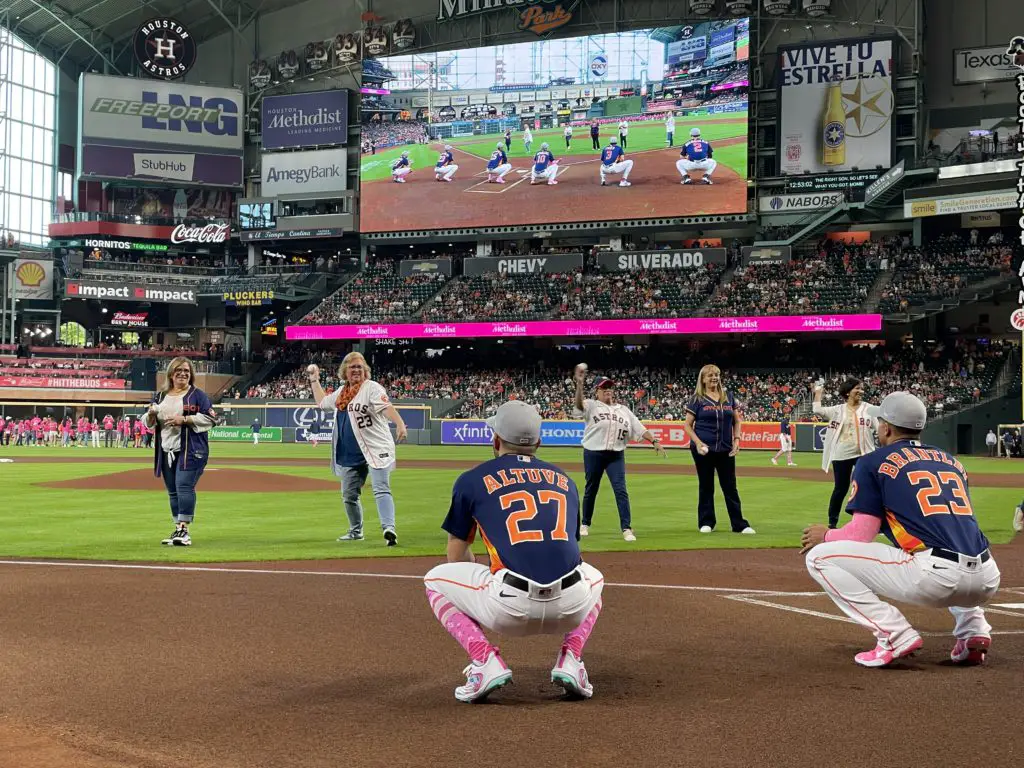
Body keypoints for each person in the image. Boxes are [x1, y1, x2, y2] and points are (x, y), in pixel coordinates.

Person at [423, 400, 605, 703]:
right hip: (571, 607)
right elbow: (570, 551)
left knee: (435, 580)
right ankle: (572, 660)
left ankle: (484, 662)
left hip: (509, 611)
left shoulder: (471, 480)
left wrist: (484, 575)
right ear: (539, 443)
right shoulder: (566, 481)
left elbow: (455, 557)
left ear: (496, 440)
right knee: (596, 577)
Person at [801, 392, 1000, 668]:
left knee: (819, 557)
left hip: (936, 578)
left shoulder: (872, 461)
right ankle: (974, 630)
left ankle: (893, 634)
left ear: (886, 427)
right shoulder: (950, 460)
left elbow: (861, 534)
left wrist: (825, 535)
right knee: (936, 544)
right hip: (987, 576)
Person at [306, 352, 408, 546]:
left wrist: (400, 424)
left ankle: (389, 529)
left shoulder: (372, 388)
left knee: (381, 488)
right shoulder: (342, 393)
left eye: (360, 367)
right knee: (349, 495)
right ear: (345, 371)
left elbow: (386, 407)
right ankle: (356, 531)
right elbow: (322, 403)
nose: (356, 370)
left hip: (376, 448)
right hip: (350, 452)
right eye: (352, 367)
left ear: (366, 371)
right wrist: (314, 379)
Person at [573, 369, 665, 541]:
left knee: (621, 490)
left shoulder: (623, 410)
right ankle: (585, 523)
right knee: (591, 489)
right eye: (603, 387)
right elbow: (578, 406)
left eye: (609, 387)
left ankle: (626, 528)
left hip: (616, 454)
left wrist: (654, 441)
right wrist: (579, 385)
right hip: (594, 452)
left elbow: (639, 427)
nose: (607, 390)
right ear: (596, 391)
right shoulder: (591, 405)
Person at [146, 357, 219, 547]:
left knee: (184, 486)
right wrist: (151, 414)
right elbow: (148, 421)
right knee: (172, 491)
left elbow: (211, 419)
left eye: (187, 371)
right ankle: (178, 529)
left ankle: (184, 530)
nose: (183, 374)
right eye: (179, 370)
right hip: (166, 449)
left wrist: (184, 420)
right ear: (171, 373)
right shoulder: (160, 396)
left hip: (192, 450)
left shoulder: (197, 395)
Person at [681, 364, 755, 534]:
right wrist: (698, 443)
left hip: (726, 449)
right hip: (703, 449)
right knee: (706, 485)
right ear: (703, 379)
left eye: (716, 375)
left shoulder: (728, 397)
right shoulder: (697, 399)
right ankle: (706, 522)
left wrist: (737, 440)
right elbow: (687, 425)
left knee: (730, 486)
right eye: (710, 375)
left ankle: (739, 524)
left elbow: (737, 421)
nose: (714, 378)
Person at [812, 378, 880, 528]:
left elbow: (880, 429)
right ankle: (832, 522)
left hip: (865, 454)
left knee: (869, 487)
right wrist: (818, 393)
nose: (861, 391)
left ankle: (873, 522)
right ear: (848, 392)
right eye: (857, 388)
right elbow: (817, 410)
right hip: (842, 453)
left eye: (862, 388)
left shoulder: (869, 409)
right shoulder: (837, 410)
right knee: (841, 488)